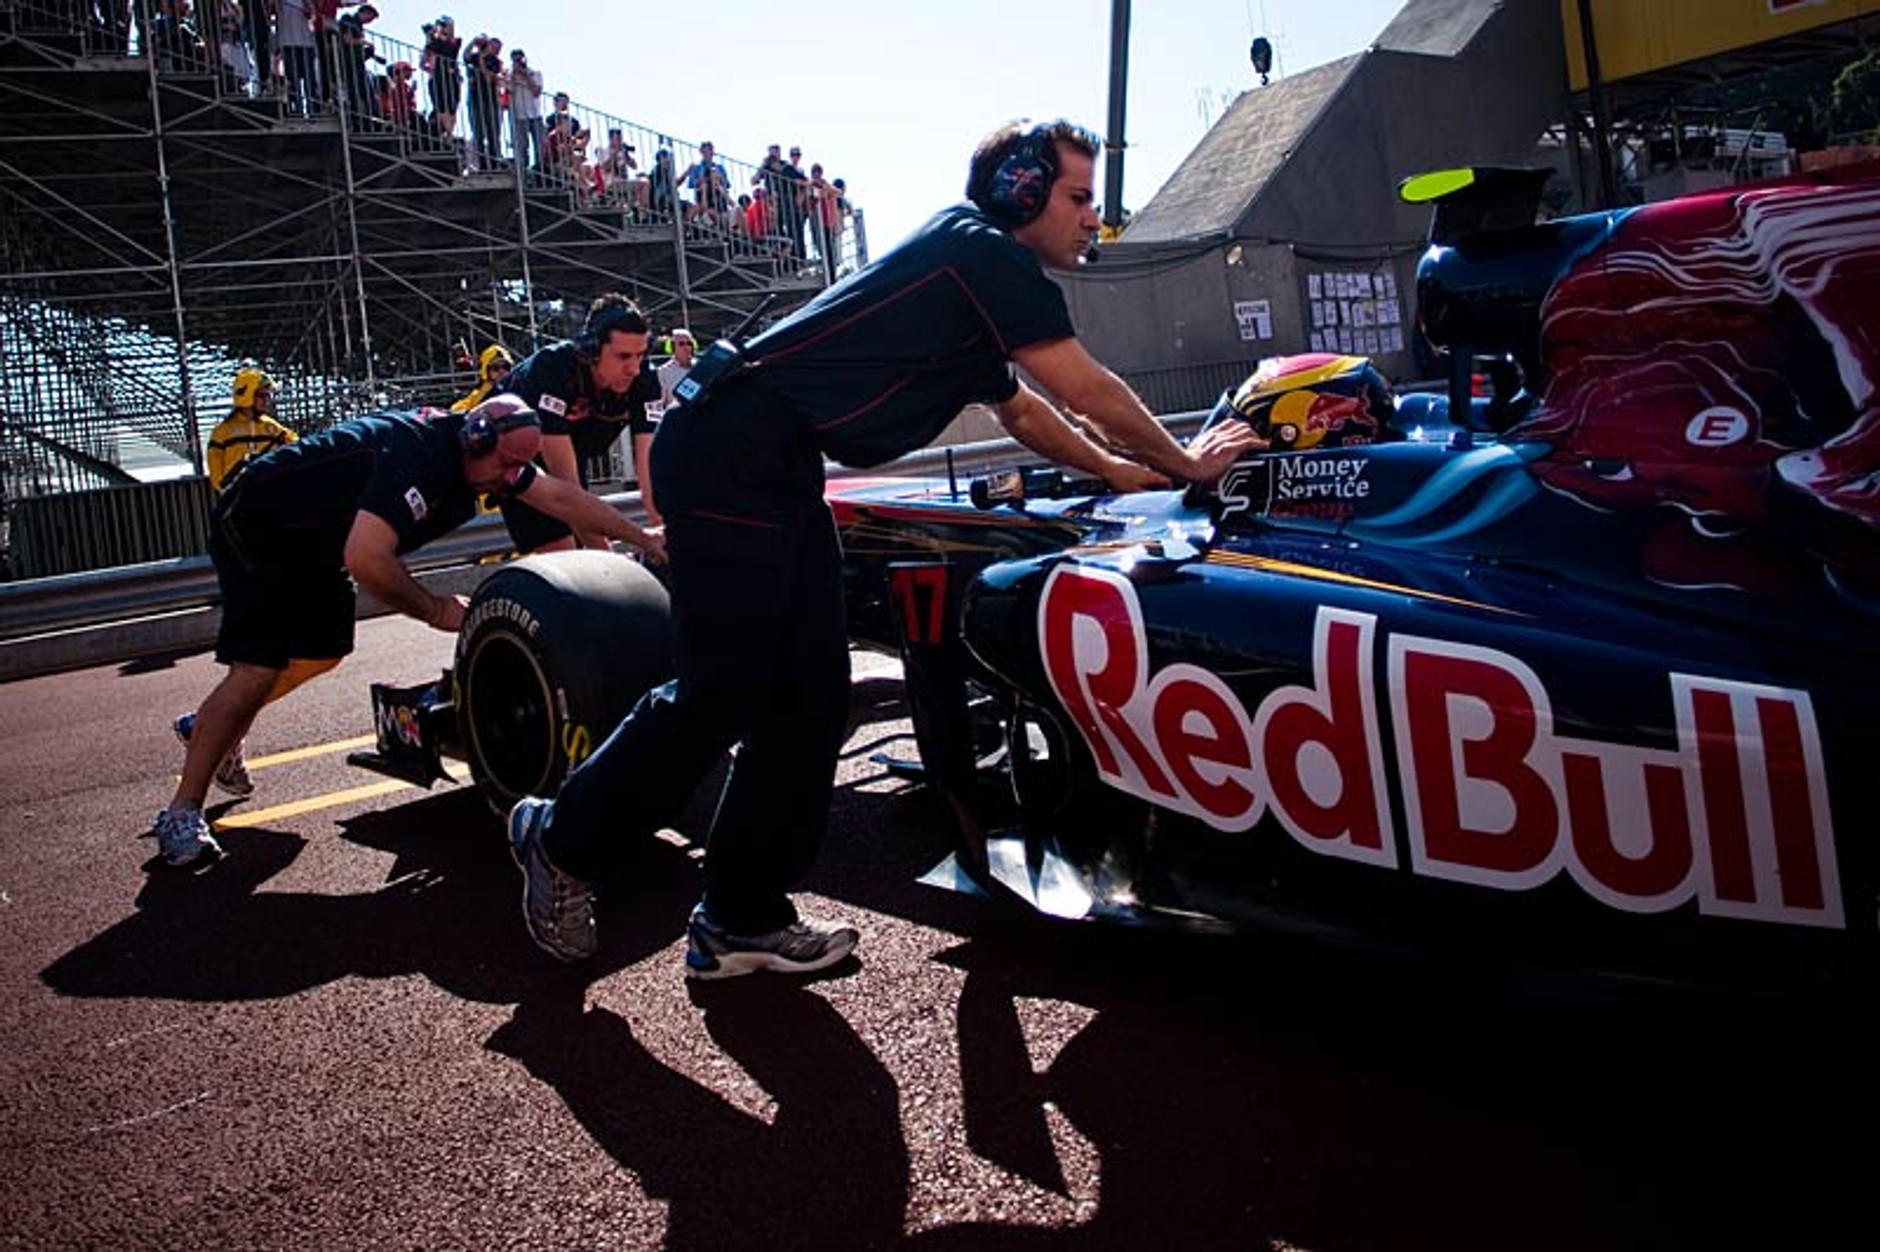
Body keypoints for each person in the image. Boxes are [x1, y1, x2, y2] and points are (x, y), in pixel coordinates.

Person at [503, 119, 1259, 976]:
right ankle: (559, 838)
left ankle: (738, 918)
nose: (1095, 216)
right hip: (729, 448)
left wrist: (1122, 473)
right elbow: (1084, 385)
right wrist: (1184, 460)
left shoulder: (970, 286)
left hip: (769, 457)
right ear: (1021, 189)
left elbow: (1027, 411)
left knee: (813, 697)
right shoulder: (985, 256)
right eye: (1079, 197)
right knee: (725, 690)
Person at [151, 396, 666, 868]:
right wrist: (435, 609)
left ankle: (209, 728)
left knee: (321, 652)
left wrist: (643, 538)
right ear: (477, 441)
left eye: (519, 466)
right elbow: (368, 559)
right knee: (257, 667)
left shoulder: (489, 452)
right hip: (260, 523)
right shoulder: (421, 458)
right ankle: (180, 813)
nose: (511, 478)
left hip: (319, 539)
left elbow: (563, 499)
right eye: (506, 464)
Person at [494, 294, 659, 552]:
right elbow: (566, 492)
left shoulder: (645, 378)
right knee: (565, 553)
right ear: (590, 350)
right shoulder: (553, 370)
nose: (634, 369)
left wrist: (665, 536)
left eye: (641, 355)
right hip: (514, 456)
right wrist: (614, 564)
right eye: (623, 356)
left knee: (590, 552)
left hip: (572, 449)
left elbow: (649, 470)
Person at [449, 343, 513, 412]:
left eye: (506, 367)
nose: (501, 371)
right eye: (495, 368)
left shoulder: (516, 385)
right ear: (487, 370)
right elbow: (469, 403)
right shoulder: (484, 388)